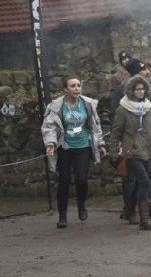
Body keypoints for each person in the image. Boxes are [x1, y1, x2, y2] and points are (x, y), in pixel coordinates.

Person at [109, 75, 151, 230]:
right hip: (132, 151)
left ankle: (129, 210)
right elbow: (116, 133)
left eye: (143, 88)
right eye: (137, 89)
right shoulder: (123, 109)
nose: (141, 91)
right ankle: (144, 219)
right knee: (144, 182)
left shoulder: (147, 107)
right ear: (131, 90)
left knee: (140, 183)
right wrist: (113, 154)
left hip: (148, 150)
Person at [41, 76, 107, 228]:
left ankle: (81, 205)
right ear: (65, 89)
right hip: (65, 147)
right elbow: (49, 126)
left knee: (82, 180)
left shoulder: (88, 104)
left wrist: (100, 144)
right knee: (64, 180)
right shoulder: (56, 106)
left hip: (83, 146)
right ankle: (62, 215)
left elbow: (95, 126)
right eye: (72, 86)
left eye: (78, 85)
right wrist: (51, 143)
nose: (77, 88)